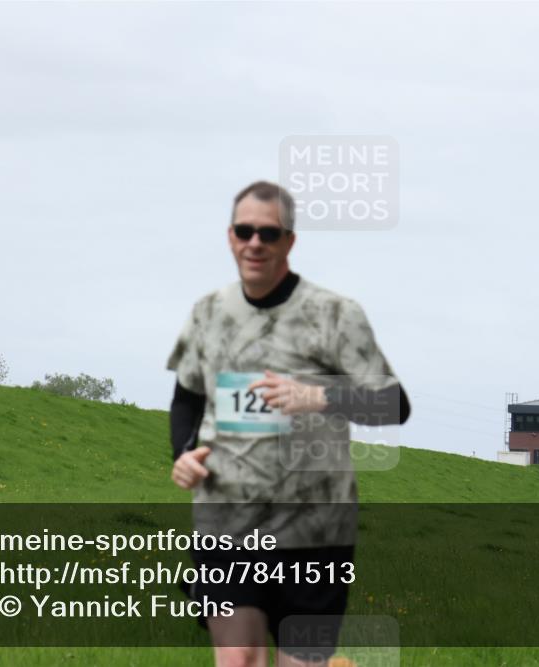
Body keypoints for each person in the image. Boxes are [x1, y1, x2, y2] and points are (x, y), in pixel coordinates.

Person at [167, 181, 411, 666]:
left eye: (268, 233)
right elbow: (187, 398)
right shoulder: (207, 313)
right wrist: (183, 454)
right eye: (244, 231)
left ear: (289, 241)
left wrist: (316, 396)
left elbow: (393, 404)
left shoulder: (335, 315)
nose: (255, 242)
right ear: (231, 237)